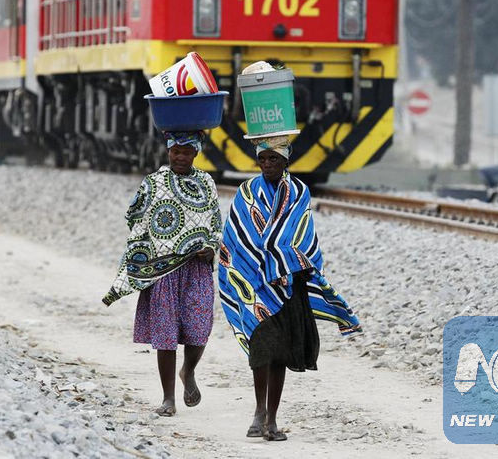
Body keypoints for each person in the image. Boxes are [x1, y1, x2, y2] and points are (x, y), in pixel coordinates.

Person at [218, 135, 361, 441]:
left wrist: (283, 262)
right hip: (255, 284)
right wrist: (253, 265)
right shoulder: (246, 192)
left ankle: (271, 419)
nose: (267, 164)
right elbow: (237, 236)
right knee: (260, 349)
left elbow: (301, 234)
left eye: (274, 159)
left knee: (280, 353)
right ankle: (258, 412)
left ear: (285, 160)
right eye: (262, 159)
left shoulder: (298, 192)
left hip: (288, 286)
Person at [103, 131, 221, 417]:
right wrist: (147, 246)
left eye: (186, 152)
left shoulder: (206, 182)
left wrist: (211, 247)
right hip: (163, 270)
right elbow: (134, 216)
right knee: (165, 334)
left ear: (196, 153)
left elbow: (216, 222)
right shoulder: (153, 182)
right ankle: (168, 398)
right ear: (168, 152)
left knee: (199, 329)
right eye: (175, 151)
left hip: (196, 269)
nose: (180, 157)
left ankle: (188, 371)